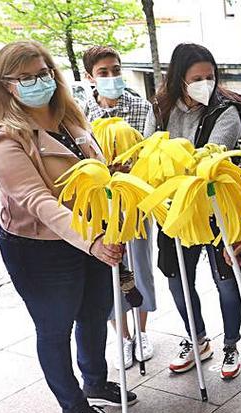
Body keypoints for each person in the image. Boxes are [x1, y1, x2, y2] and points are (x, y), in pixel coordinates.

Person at [0, 40, 137, 413]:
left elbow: (87, 171)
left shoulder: (69, 117)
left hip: (89, 234)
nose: (39, 82)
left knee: (95, 311)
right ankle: (72, 406)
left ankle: (95, 380)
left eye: (43, 73)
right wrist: (91, 240)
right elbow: (40, 201)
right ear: (6, 85)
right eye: (26, 77)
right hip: (39, 247)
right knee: (55, 325)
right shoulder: (6, 138)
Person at [144, 43, 241, 380]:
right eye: (196, 78)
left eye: (210, 76)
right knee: (177, 279)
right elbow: (149, 156)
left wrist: (171, 162)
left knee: (226, 282)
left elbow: (211, 160)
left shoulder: (226, 110)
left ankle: (231, 343)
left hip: (215, 209)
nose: (205, 83)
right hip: (175, 213)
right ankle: (197, 338)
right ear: (179, 79)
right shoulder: (160, 109)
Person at [81, 45, 156, 369]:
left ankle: (141, 332)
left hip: (136, 202)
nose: (112, 77)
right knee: (111, 269)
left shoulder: (141, 108)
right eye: (103, 72)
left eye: (115, 69)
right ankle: (122, 336)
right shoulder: (83, 116)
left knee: (140, 266)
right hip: (103, 207)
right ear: (89, 77)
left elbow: (151, 155)